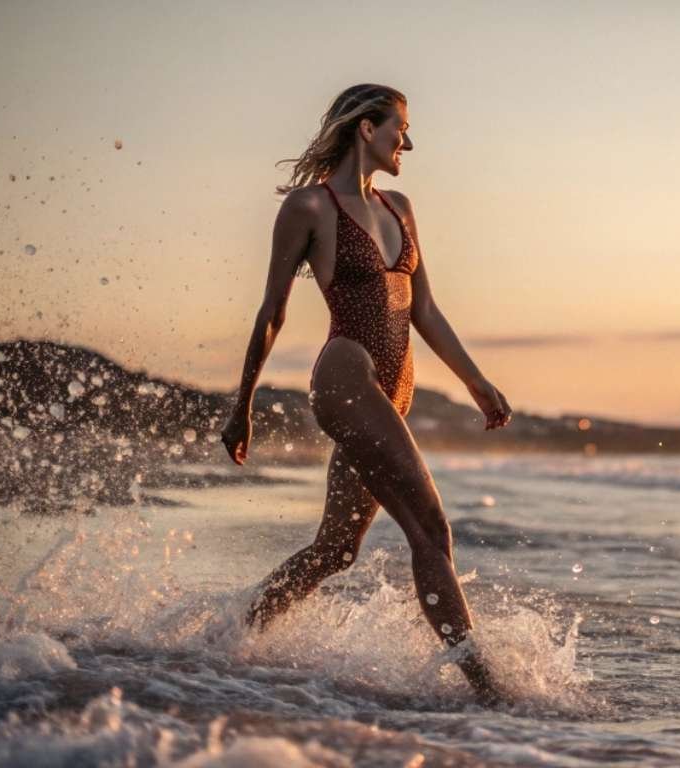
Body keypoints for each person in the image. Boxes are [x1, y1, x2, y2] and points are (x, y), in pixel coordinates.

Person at [220, 84, 513, 703]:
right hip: (347, 376)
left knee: (335, 551)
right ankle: (489, 691)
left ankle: (230, 638)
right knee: (431, 531)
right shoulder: (310, 208)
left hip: (397, 387)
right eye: (398, 127)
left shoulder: (401, 207)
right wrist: (242, 403)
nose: (406, 140)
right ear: (365, 129)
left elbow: (425, 310)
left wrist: (476, 381)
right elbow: (272, 311)